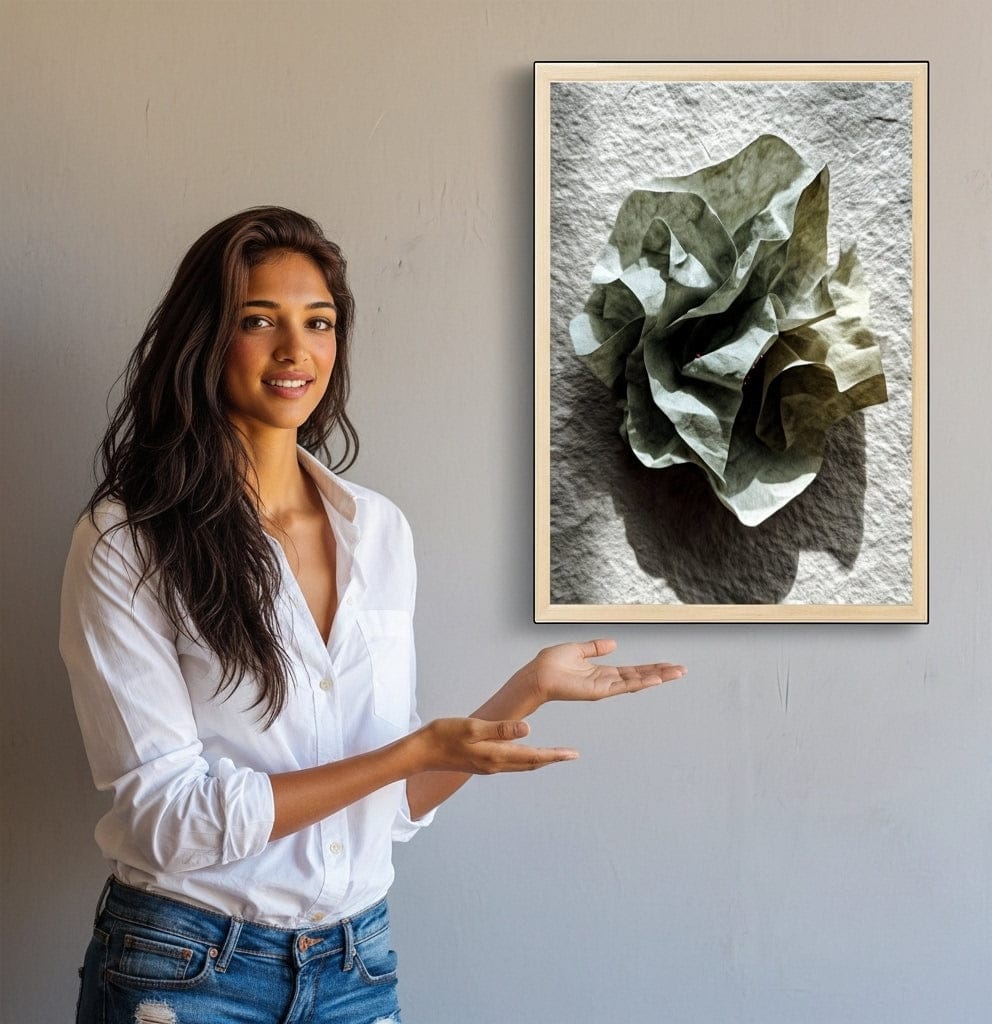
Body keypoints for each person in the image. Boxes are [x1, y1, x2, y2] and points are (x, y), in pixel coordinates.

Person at [59, 206, 684, 1023]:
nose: (296, 350)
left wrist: (525, 690)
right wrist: (407, 752)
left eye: (318, 322)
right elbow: (167, 820)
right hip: (187, 966)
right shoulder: (128, 541)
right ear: (205, 340)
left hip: (354, 964)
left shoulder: (379, 531)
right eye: (259, 320)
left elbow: (392, 803)